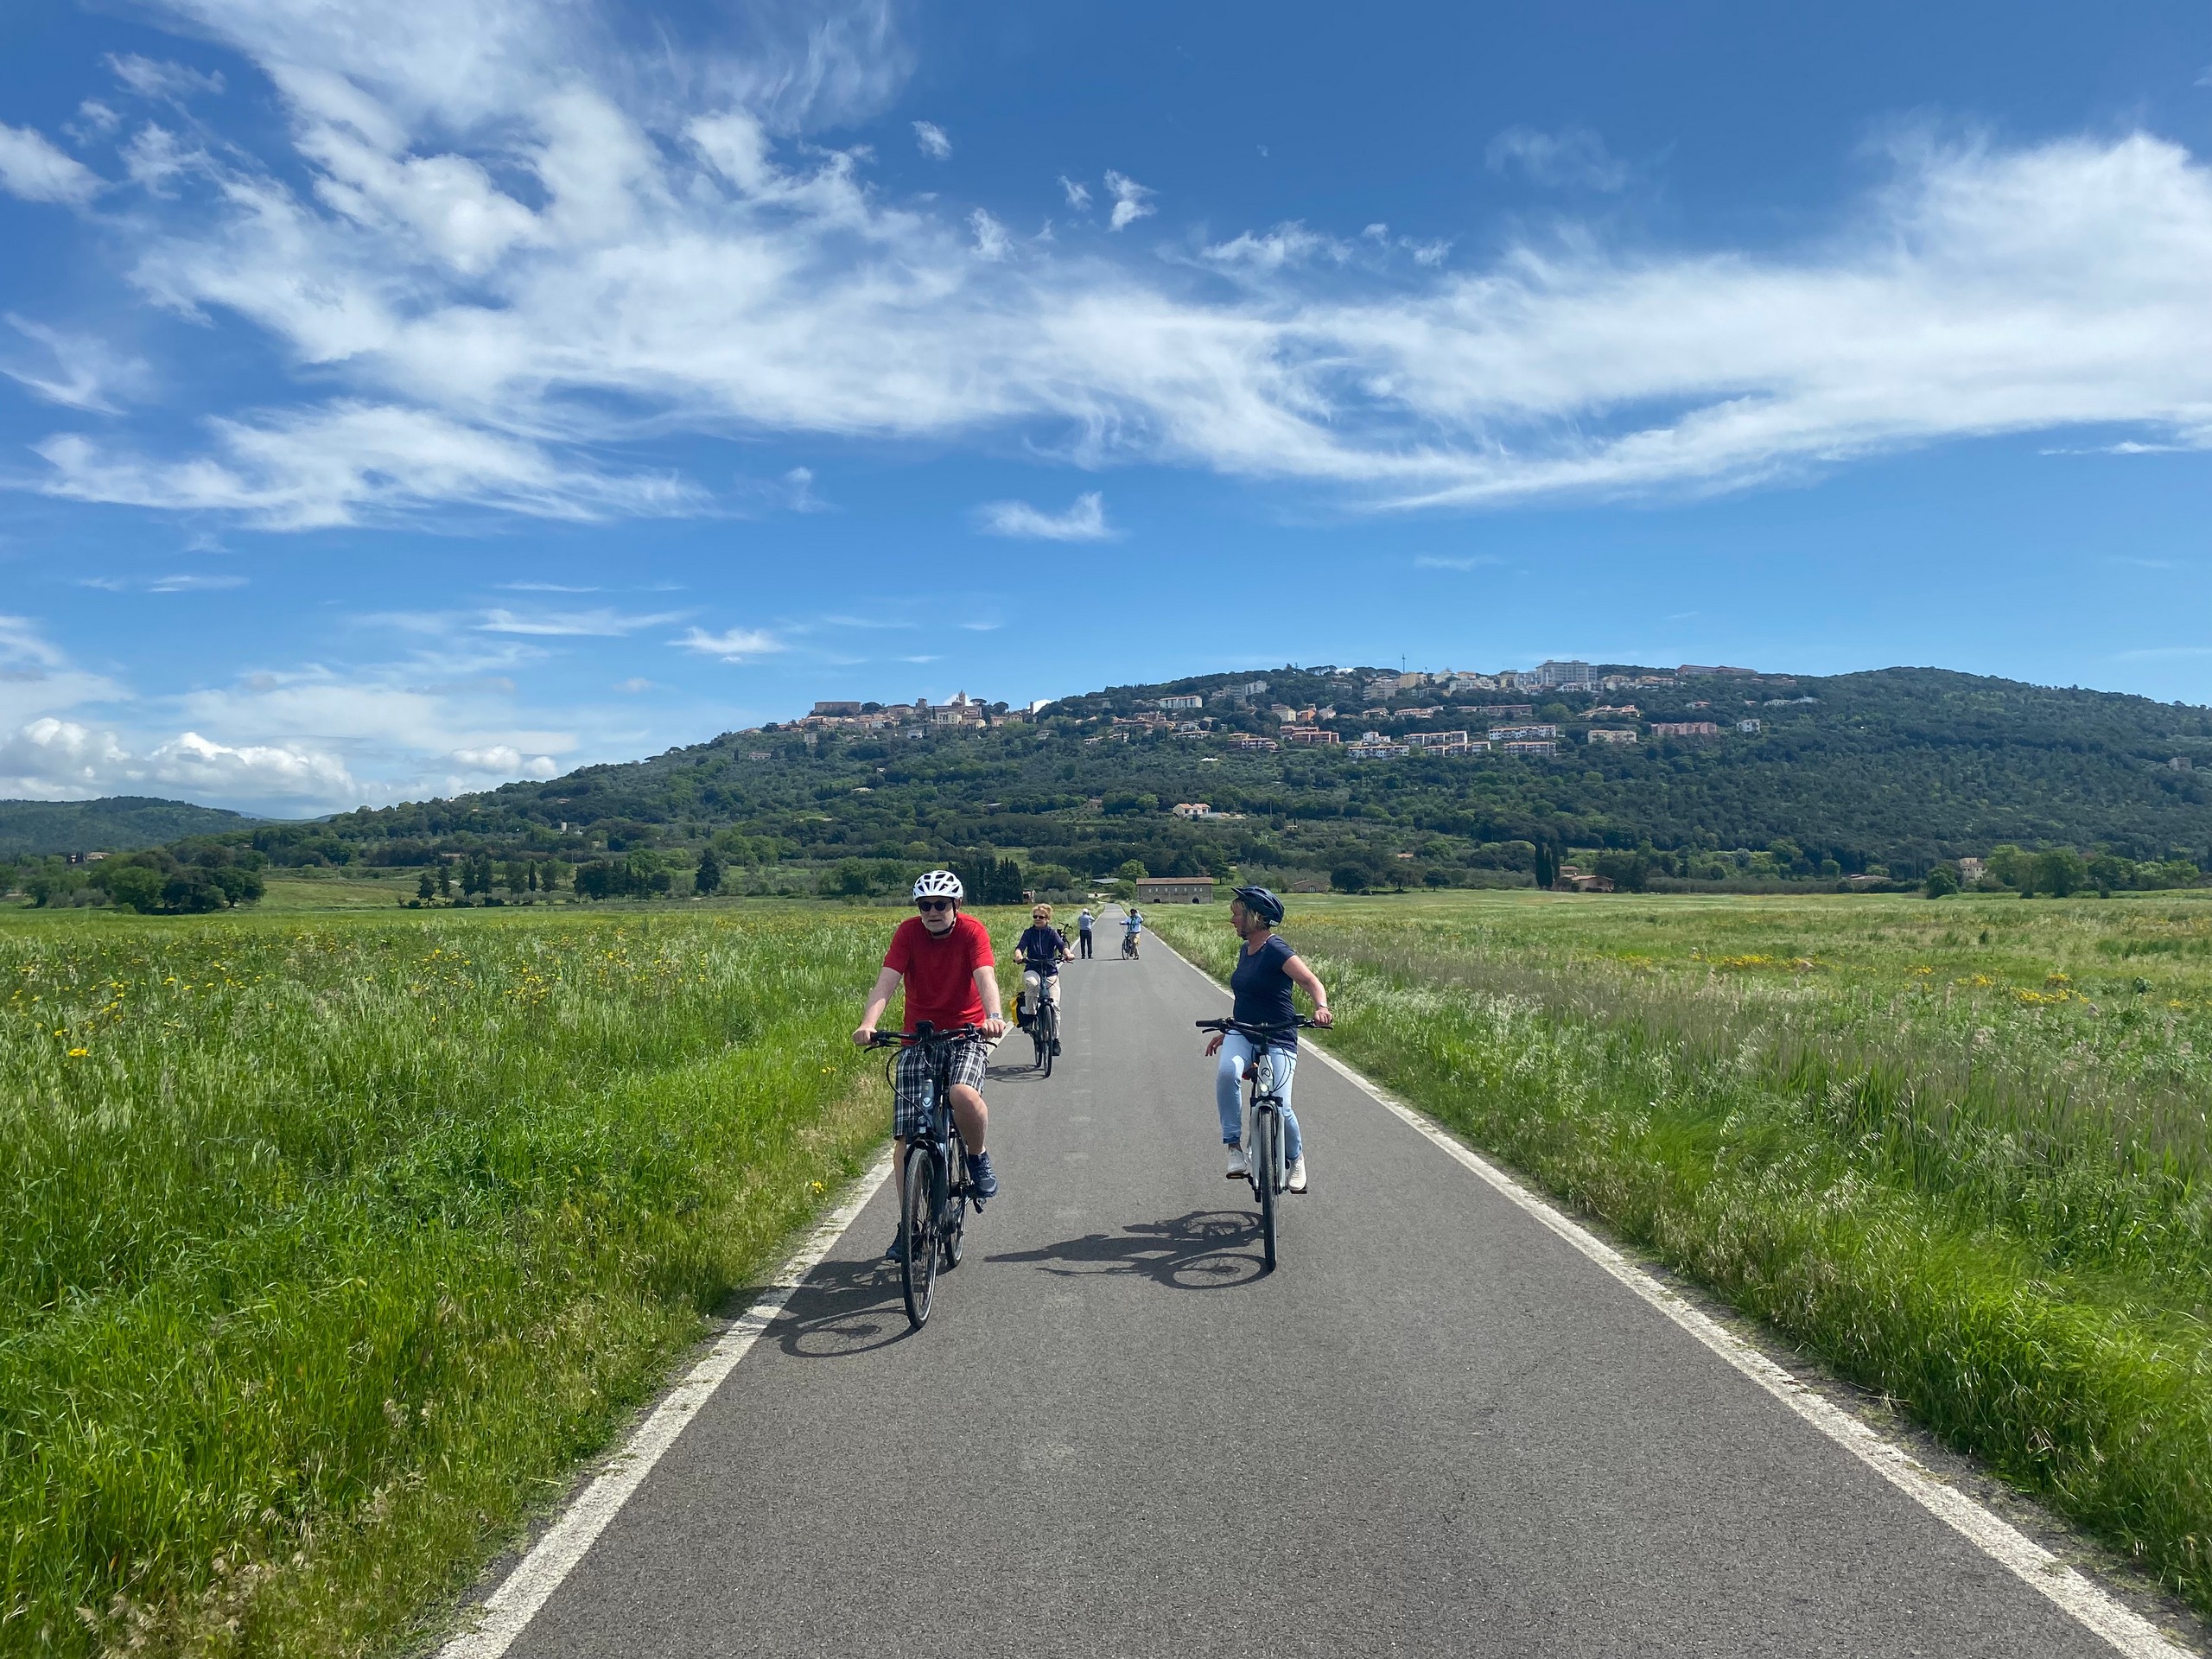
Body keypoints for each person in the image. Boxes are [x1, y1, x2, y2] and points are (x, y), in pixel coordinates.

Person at [853, 871, 1008, 1260]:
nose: (933, 912)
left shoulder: (972, 932)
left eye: (941, 904)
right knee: (907, 1142)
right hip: (917, 1039)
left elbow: (984, 974)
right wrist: (868, 1024)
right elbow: (885, 982)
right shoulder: (908, 934)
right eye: (925, 905)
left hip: (966, 1034)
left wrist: (993, 1014)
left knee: (962, 1094)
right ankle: (911, 1228)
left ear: (956, 906)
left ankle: (976, 1156)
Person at [1200, 886, 1332, 1194]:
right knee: (1227, 1072)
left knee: (1282, 1105)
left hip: (1279, 1036)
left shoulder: (1276, 949)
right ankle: (1234, 1148)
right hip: (1243, 1031)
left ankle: (1295, 1158)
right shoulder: (1245, 950)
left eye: (1236, 914)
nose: (1232, 920)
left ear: (1254, 917)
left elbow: (1310, 981)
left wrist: (1321, 1006)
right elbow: (1246, 996)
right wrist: (1228, 1030)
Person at [1014, 903, 1071, 1054]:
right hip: (1033, 968)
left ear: (1048, 919)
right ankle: (1031, 1017)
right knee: (1031, 983)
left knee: (1055, 1005)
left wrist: (1067, 953)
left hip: (1050, 971)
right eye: (1035, 917)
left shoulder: (1052, 933)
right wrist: (1019, 955)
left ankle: (1055, 1039)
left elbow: (1061, 944)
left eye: (1041, 917)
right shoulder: (1028, 933)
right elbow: (1021, 946)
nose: (1037, 919)